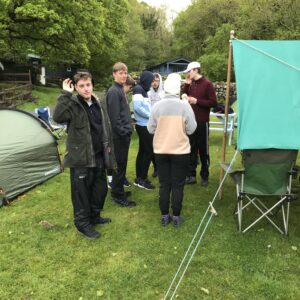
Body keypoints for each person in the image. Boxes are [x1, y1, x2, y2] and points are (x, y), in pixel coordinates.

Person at [53, 71, 115, 239]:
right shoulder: (72, 104)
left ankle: (94, 216)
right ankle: (82, 224)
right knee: (81, 193)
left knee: (99, 190)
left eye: (88, 85)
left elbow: (104, 127)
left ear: (92, 84)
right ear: (76, 87)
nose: (86, 89)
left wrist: (108, 147)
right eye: (81, 86)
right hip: (81, 158)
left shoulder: (97, 102)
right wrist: (65, 94)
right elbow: (57, 117)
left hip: (99, 156)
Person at [147, 73, 197, 227]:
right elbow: (192, 128)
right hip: (180, 151)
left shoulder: (157, 106)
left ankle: (164, 215)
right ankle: (175, 216)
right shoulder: (184, 105)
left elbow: (150, 129)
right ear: (178, 88)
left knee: (164, 184)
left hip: (161, 151)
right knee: (177, 185)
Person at [182, 61, 217, 187]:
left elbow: (213, 102)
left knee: (203, 150)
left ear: (196, 70)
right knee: (191, 149)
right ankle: (191, 175)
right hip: (190, 122)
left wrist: (197, 101)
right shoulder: (191, 83)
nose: (188, 74)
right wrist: (186, 86)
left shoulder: (207, 84)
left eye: (189, 71)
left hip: (202, 122)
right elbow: (184, 96)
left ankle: (204, 175)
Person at [106, 62, 136, 207]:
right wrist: (124, 132)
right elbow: (114, 117)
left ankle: (119, 190)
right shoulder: (113, 91)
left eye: (125, 73)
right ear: (114, 74)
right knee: (119, 165)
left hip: (124, 134)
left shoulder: (120, 89)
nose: (123, 75)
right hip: (119, 136)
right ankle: (117, 195)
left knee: (122, 164)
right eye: (120, 73)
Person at [132, 70, 155, 190]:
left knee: (142, 151)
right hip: (143, 125)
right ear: (146, 79)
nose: (152, 84)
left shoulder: (143, 90)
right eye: (151, 81)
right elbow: (137, 108)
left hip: (144, 125)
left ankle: (139, 178)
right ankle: (142, 179)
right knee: (148, 152)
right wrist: (151, 116)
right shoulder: (138, 89)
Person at [148, 73, 164, 177]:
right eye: (153, 81)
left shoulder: (163, 94)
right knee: (152, 146)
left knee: (161, 146)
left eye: (157, 81)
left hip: (162, 123)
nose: (155, 83)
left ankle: (162, 167)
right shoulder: (148, 93)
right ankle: (156, 167)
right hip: (151, 122)